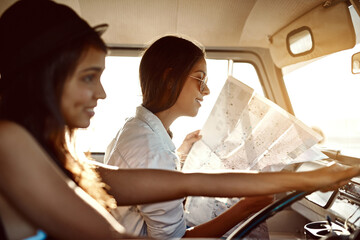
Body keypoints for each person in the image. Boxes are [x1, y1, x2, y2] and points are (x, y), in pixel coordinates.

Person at [0, 1, 359, 239]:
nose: (102, 93)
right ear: (45, 76)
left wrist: (308, 176)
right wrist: (254, 204)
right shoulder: (9, 142)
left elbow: (188, 181)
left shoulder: (53, 154)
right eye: (88, 77)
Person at [104, 35, 274, 239]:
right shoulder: (152, 149)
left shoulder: (135, 128)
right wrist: (245, 208)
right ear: (170, 79)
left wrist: (181, 151)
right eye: (200, 79)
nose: (207, 90)